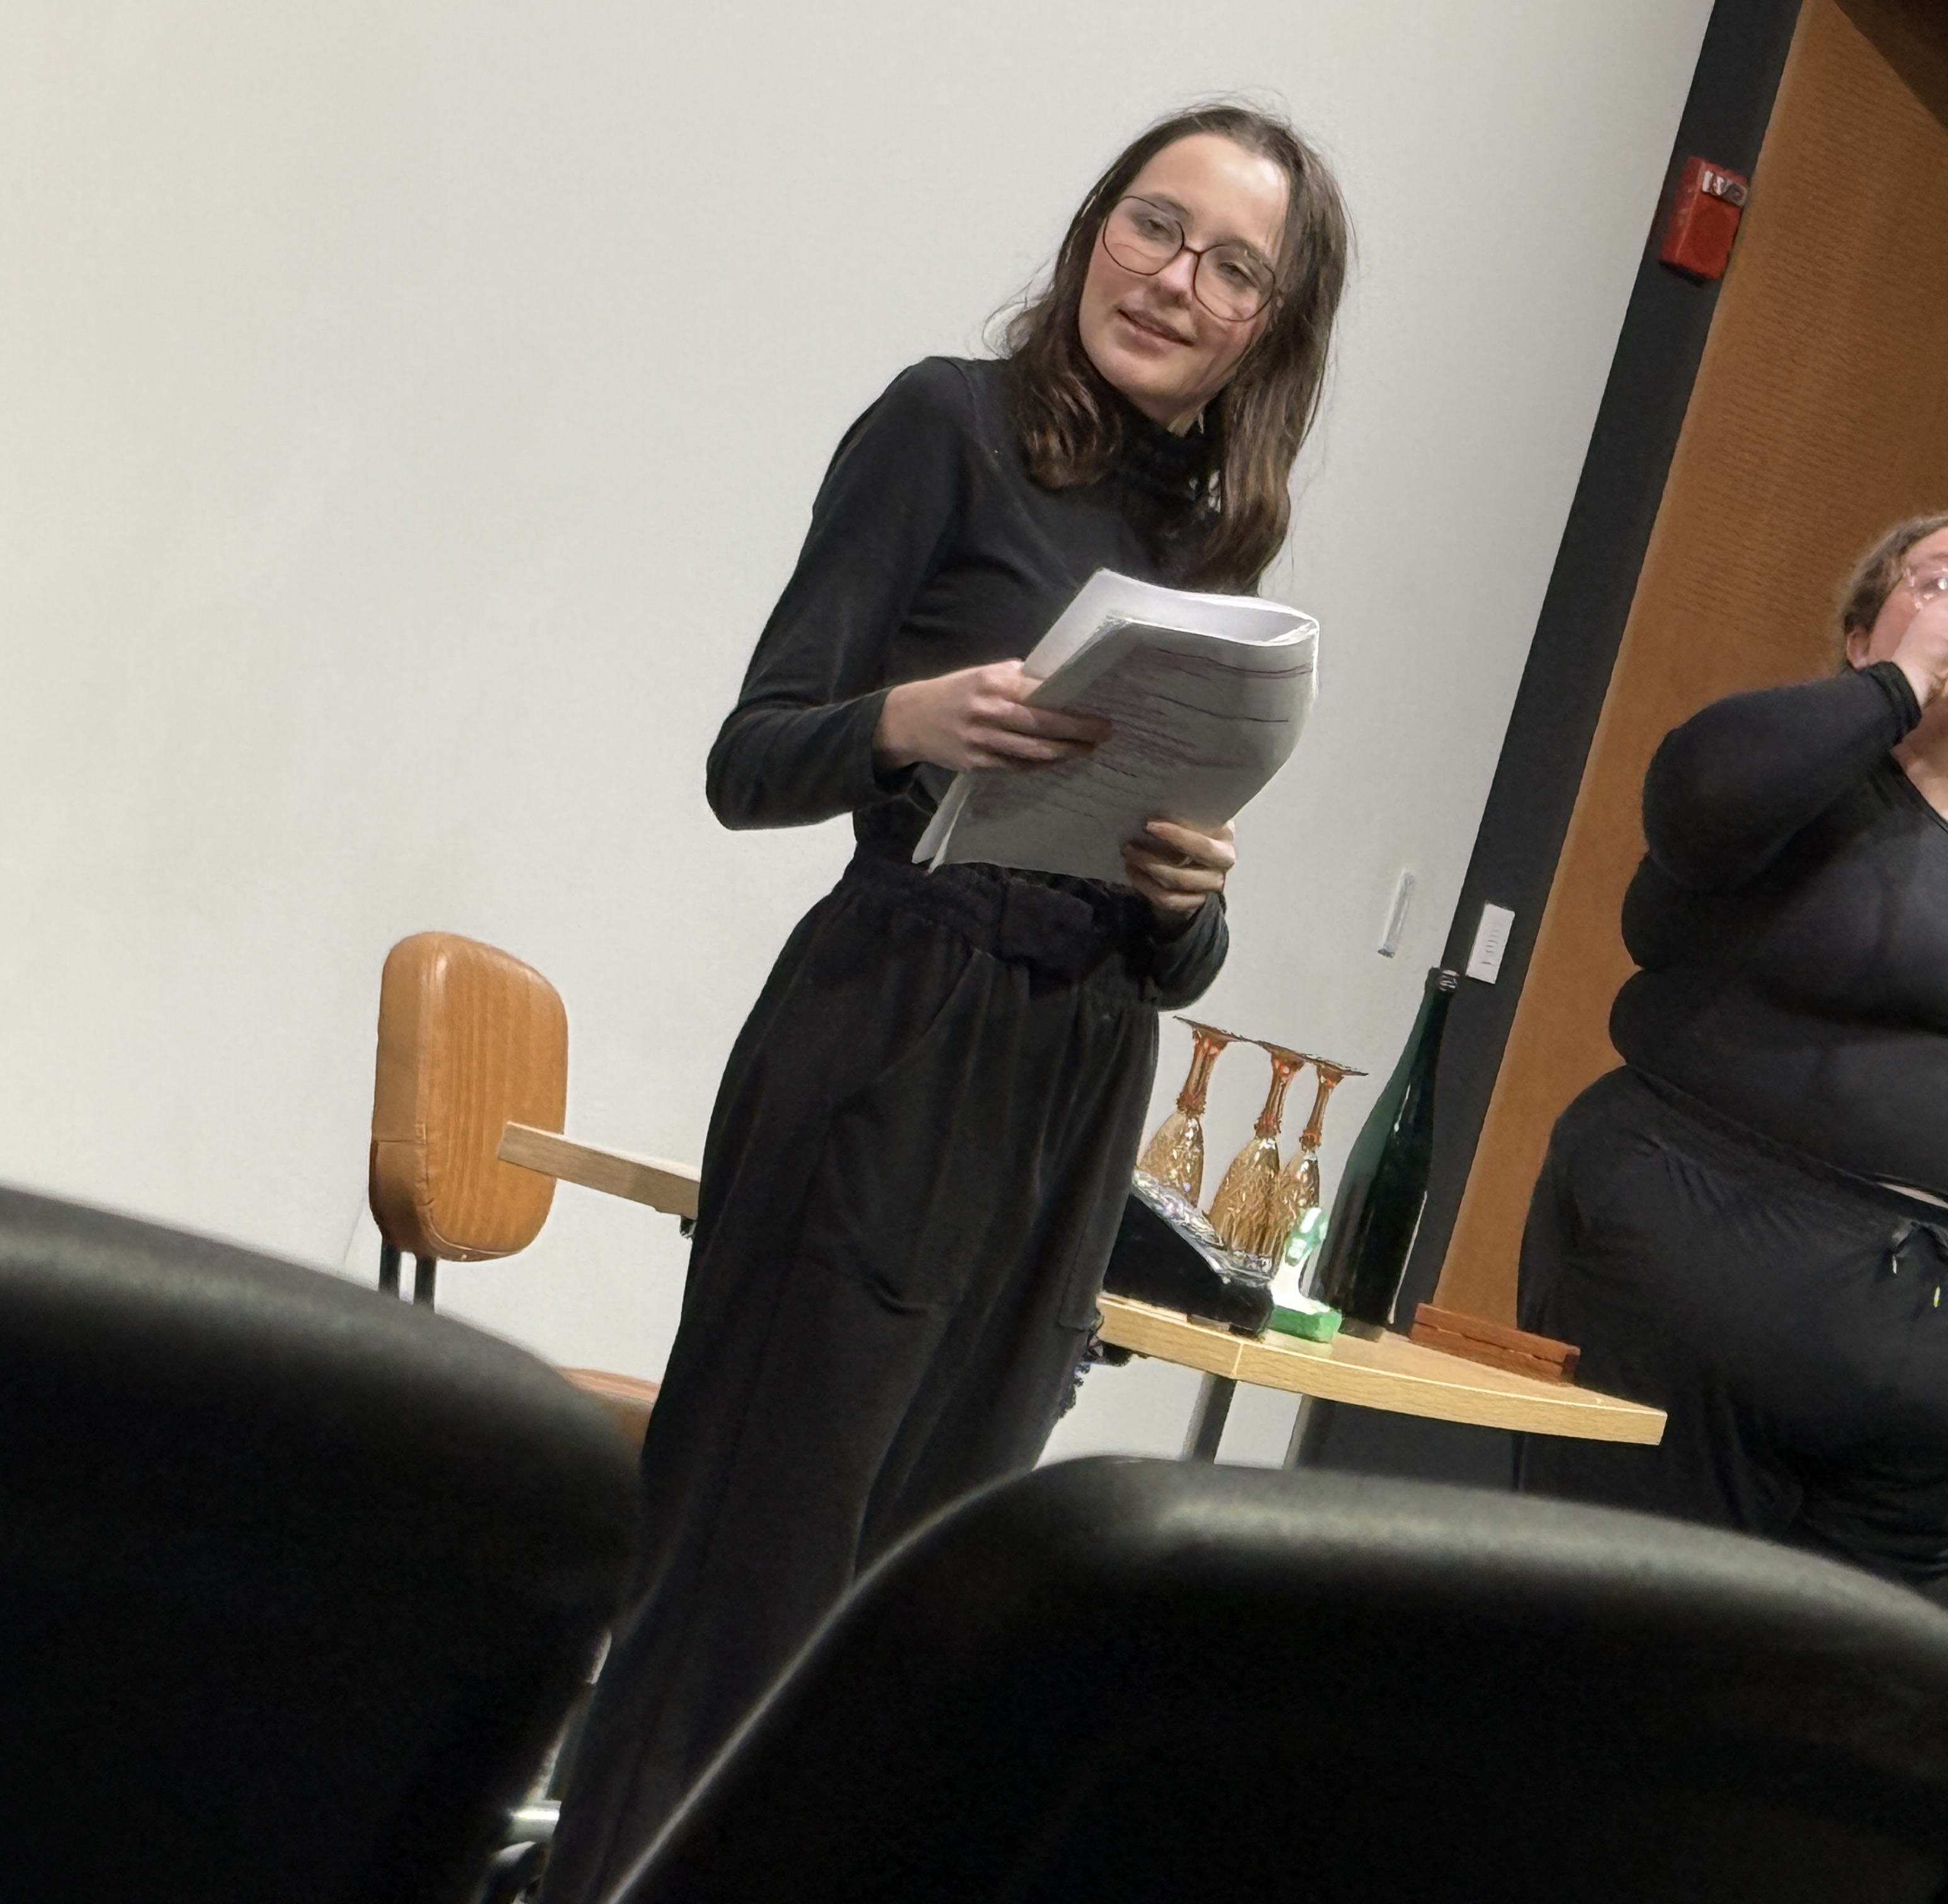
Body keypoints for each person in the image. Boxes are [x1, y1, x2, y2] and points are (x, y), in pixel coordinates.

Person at [541, 105, 1349, 1902]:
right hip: (896, 1018)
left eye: (1233, 267)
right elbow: (753, 756)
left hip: (1077, 1074)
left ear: (1264, 338)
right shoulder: (946, 426)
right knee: (747, 1591)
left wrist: (1189, 907)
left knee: (935, 1617)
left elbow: (1164, 914)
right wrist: (907, 722)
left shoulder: (1210, 549)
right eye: (1156, 225)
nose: (1177, 277)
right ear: (1091, 234)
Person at [1514, 511, 1948, 1610]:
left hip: (1946, 1378)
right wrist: (1899, 695)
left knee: (1844, 1721)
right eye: (1941, 579)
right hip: (1702, 1279)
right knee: (1616, 1647)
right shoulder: (1789, 785)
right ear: (1865, 637)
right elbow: (1694, 798)